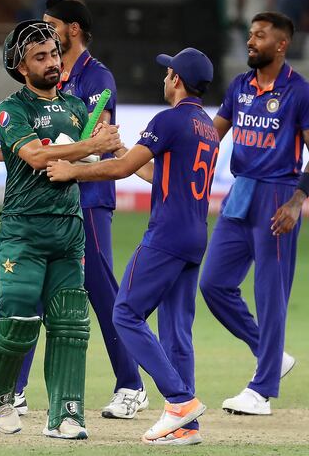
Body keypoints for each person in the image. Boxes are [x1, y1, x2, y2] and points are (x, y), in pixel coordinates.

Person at [0, 0, 147, 420]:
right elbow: (50, 147)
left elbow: (102, 147)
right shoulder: (24, 100)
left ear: (71, 30)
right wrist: (2, 153)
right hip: (46, 204)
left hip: (88, 203)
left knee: (93, 298)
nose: (48, 45)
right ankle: (13, 390)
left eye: (52, 31)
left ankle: (130, 385)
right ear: (24, 64)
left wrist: (142, 168)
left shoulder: (96, 79)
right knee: (30, 301)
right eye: (40, 50)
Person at [46, 47, 217, 446]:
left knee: (124, 313)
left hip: (168, 235)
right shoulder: (205, 125)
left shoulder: (169, 119)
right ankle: (186, 425)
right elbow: (161, 175)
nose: (163, 78)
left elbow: (120, 171)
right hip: (195, 234)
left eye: (167, 72)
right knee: (177, 331)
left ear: (176, 79)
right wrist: (126, 152)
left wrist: (75, 169)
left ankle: (179, 401)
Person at [199, 11, 309, 415]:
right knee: (213, 284)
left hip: (278, 196)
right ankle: (269, 353)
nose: (251, 42)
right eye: (251, 35)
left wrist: (296, 201)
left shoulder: (300, 92)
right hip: (242, 191)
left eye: (260, 36)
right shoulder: (239, 86)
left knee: (270, 294)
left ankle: (262, 390)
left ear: (281, 44)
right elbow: (209, 135)